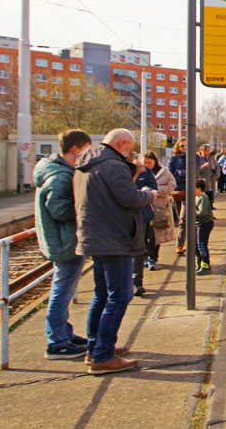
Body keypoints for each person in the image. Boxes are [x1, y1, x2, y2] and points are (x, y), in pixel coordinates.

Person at [74, 128, 156, 375]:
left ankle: (95, 347)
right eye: (129, 149)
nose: (130, 154)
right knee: (120, 295)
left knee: (102, 295)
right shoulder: (112, 165)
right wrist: (147, 195)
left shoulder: (88, 162)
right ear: (122, 144)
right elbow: (129, 198)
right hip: (114, 237)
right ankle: (103, 355)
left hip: (95, 235)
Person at [34, 129, 92, 359]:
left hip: (62, 239)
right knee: (62, 289)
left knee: (64, 288)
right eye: (85, 150)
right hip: (65, 241)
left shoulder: (56, 171)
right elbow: (59, 210)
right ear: (75, 149)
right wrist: (85, 204)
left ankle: (62, 333)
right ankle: (57, 342)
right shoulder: (60, 177)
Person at [168, 138, 203, 255]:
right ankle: (185, 241)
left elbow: (194, 172)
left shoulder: (195, 158)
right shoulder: (173, 159)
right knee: (180, 218)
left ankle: (180, 244)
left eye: (186, 145)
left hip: (189, 190)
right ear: (178, 147)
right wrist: (182, 174)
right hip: (177, 191)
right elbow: (170, 173)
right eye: (182, 146)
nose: (184, 148)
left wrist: (180, 172)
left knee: (184, 218)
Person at [143, 151, 176, 269]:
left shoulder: (164, 173)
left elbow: (172, 185)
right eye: (145, 162)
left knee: (155, 235)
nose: (147, 165)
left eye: (149, 162)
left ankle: (153, 258)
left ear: (155, 162)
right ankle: (144, 256)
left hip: (158, 207)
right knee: (143, 233)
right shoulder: (140, 171)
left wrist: (156, 191)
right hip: (143, 206)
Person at [131, 155, 158, 297]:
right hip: (122, 216)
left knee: (138, 248)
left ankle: (137, 282)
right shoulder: (116, 171)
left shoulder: (145, 172)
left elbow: (154, 189)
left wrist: (144, 193)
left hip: (141, 214)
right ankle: (128, 280)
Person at [194, 179, 214, 275]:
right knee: (196, 245)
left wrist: (193, 212)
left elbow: (203, 212)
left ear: (198, 189)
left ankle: (205, 265)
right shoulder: (197, 197)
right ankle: (199, 263)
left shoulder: (203, 198)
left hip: (204, 224)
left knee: (201, 245)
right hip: (199, 223)